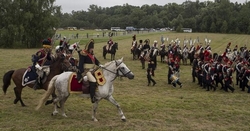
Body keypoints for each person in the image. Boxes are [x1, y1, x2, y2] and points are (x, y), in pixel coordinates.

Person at [77, 39, 103, 103]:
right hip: (86, 71)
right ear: (88, 48)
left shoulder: (92, 54)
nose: (92, 49)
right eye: (91, 48)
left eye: (92, 48)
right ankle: (93, 97)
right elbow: (80, 65)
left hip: (93, 70)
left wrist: (100, 64)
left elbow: (96, 61)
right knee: (93, 81)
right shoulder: (84, 54)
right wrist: (83, 74)